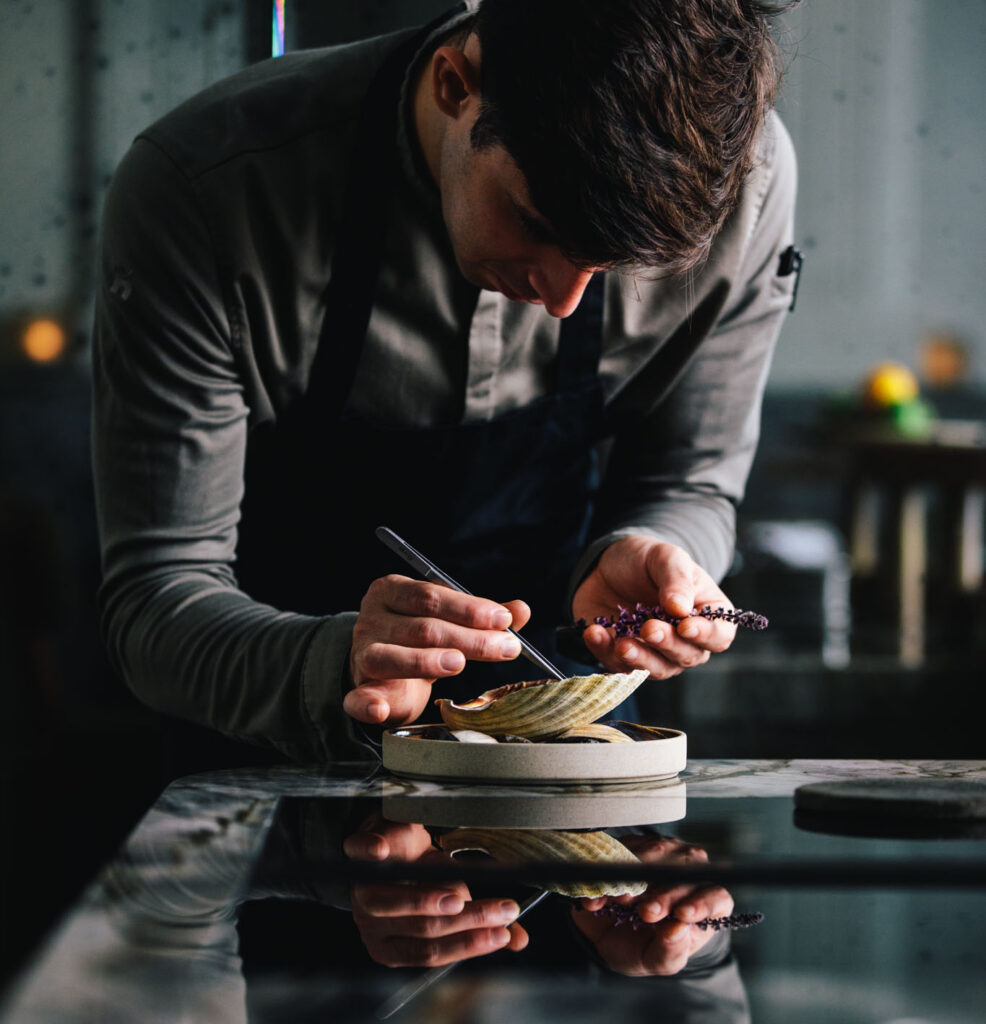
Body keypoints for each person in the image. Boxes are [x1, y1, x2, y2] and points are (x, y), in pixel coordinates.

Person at [91, 0, 798, 767]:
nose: (564, 300)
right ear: (455, 85)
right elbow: (156, 604)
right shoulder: (207, 192)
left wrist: (657, 552)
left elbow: (692, 481)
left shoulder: (740, 184)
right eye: (536, 222)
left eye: (611, 266)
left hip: (568, 773)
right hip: (266, 776)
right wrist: (331, 665)